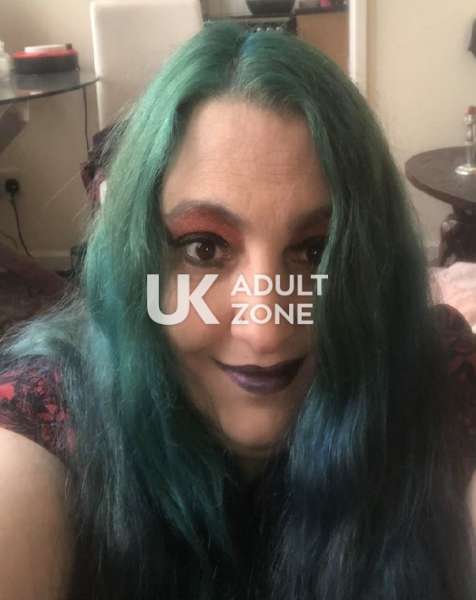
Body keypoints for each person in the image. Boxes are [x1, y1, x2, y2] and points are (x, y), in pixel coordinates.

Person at [0, 20, 475, 600]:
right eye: (204, 248)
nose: (266, 330)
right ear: (135, 260)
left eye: (317, 251)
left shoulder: (431, 375)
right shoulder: (53, 409)